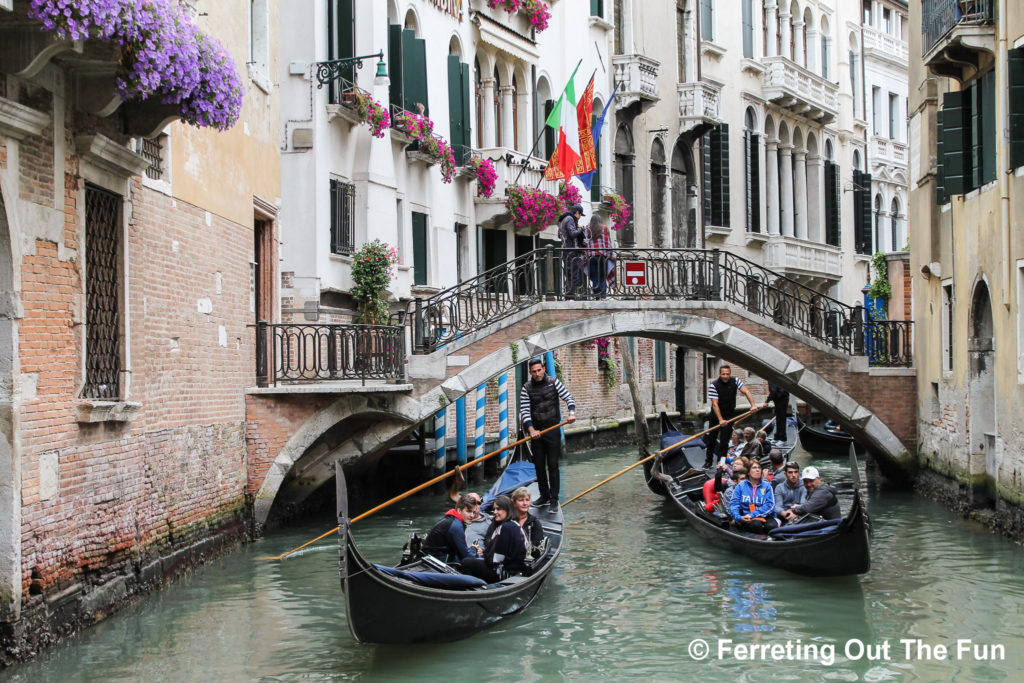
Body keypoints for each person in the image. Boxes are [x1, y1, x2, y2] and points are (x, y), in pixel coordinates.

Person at [520, 358, 577, 511]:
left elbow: (569, 398)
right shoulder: (526, 388)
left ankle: (554, 498)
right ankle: (544, 495)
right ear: (530, 372)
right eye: (534, 371)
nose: (537, 374)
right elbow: (524, 411)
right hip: (537, 432)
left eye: (539, 370)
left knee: (553, 465)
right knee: (539, 466)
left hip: (552, 429)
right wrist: (531, 430)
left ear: (544, 369)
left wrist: (571, 413)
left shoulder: (554, 382)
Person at [461, 495, 527, 583]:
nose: (495, 512)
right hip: (516, 569)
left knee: (465, 562)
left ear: (507, 509)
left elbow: (495, 560)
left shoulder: (506, 527)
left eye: (498, 509)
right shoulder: (515, 524)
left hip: (505, 574)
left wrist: (483, 554)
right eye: (494, 509)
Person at [707, 364, 758, 467]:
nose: (726, 376)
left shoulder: (735, 381)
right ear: (720, 374)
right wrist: (720, 420)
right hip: (716, 416)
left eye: (728, 374)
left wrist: (753, 405)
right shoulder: (714, 385)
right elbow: (715, 404)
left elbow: (746, 391)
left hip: (729, 415)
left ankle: (720, 463)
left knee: (724, 441)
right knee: (711, 439)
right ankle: (708, 461)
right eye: (723, 374)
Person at [422, 493, 482, 564]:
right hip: (437, 562)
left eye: (474, 512)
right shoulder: (456, 526)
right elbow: (466, 557)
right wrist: (474, 549)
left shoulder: (451, 519)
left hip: (435, 556)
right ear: (459, 511)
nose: (472, 515)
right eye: (468, 511)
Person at [728, 460, 777, 533]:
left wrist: (753, 514)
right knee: (755, 525)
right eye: (754, 468)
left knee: (771, 526)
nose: (757, 470)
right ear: (748, 472)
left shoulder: (767, 486)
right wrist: (739, 517)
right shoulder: (740, 486)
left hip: (765, 515)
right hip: (746, 516)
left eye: (759, 468)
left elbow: (770, 504)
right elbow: (734, 504)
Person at [558, 203, 587, 298]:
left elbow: (559, 235)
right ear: (577, 212)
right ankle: (570, 296)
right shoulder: (570, 219)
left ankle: (568, 295)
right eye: (580, 215)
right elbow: (572, 233)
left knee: (569, 274)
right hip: (571, 250)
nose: (579, 217)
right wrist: (581, 229)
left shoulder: (563, 220)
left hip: (565, 249)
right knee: (574, 274)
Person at [511, 487, 545, 558]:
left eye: (527, 500)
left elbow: (537, 546)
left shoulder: (535, 523)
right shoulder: (507, 520)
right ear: (514, 503)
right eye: (521, 500)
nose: (525, 503)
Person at [586, 215, 615, 299]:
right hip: (602, 256)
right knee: (602, 277)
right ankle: (603, 297)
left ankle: (597, 297)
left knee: (595, 277)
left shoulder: (587, 229)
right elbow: (608, 242)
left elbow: (585, 243)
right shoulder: (604, 228)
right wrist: (611, 254)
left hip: (591, 256)